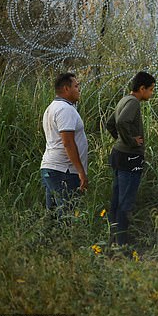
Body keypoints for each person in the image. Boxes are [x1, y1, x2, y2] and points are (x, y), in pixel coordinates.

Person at [106, 71, 156, 245]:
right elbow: (121, 123)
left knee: (117, 198)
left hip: (119, 155)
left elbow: (110, 123)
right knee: (126, 202)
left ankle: (113, 238)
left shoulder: (123, 100)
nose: (151, 93)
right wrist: (131, 141)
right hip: (130, 157)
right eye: (151, 90)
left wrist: (120, 140)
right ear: (142, 88)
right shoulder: (134, 102)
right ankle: (122, 244)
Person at [40, 72, 89, 215]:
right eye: (76, 86)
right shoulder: (65, 109)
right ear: (66, 89)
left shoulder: (52, 107)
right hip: (64, 171)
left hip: (53, 168)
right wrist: (81, 171)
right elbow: (68, 142)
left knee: (54, 217)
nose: (79, 89)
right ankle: (67, 238)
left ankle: (54, 238)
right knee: (67, 216)